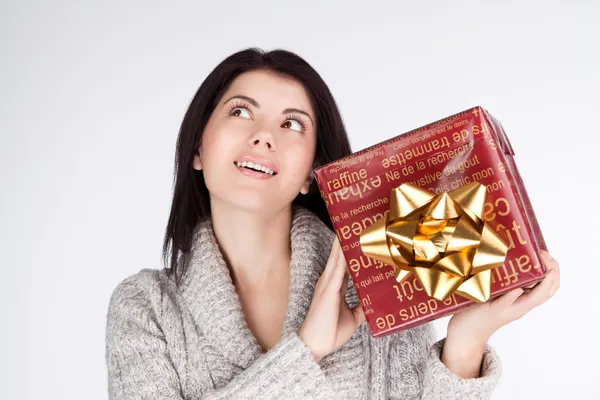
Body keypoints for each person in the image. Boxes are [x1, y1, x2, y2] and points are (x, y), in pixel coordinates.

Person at [105, 48, 560, 399]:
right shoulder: (146, 307)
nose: (264, 134)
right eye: (240, 111)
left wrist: (465, 344)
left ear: (310, 173)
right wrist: (306, 352)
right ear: (198, 149)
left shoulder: (378, 284)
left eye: (293, 124)